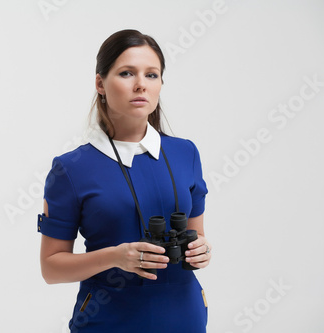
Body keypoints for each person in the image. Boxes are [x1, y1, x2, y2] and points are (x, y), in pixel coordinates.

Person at [37, 29, 212, 332]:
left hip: (185, 317)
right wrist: (116, 257)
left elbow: (197, 237)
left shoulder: (186, 153)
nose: (141, 85)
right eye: (127, 73)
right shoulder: (70, 169)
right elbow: (51, 268)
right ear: (100, 83)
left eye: (152, 75)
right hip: (110, 322)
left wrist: (202, 250)